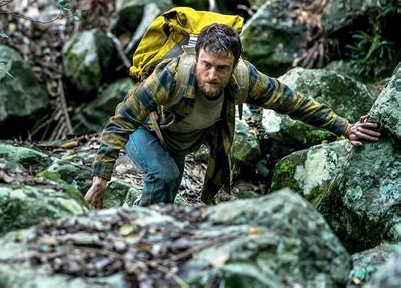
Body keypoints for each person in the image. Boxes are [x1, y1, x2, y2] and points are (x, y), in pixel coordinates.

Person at [85, 24, 381, 209]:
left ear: (235, 64)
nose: (212, 76)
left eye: (222, 68)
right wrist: (101, 178)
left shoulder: (245, 78)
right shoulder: (172, 76)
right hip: (145, 132)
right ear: (197, 57)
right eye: (206, 65)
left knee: (167, 196)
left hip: (178, 141)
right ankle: (135, 236)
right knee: (165, 176)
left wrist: (345, 128)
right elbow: (123, 118)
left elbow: (294, 103)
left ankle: (136, 225)